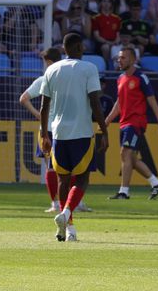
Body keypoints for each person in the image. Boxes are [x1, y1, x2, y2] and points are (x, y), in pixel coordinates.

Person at [38, 32, 107, 242]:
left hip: (58, 133)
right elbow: (95, 102)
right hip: (82, 133)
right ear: (78, 47)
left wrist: (44, 133)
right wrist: (104, 130)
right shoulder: (89, 68)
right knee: (82, 179)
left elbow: (43, 107)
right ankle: (67, 212)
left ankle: (68, 229)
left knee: (63, 180)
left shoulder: (51, 70)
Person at [105, 46, 158, 200]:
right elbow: (119, 103)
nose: (119, 60)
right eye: (118, 58)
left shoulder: (141, 77)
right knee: (130, 158)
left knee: (125, 153)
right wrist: (108, 119)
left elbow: (152, 101)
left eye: (123, 58)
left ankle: (124, 192)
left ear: (133, 59)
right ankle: (156, 183)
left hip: (136, 123)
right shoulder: (120, 78)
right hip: (124, 123)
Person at [20, 47, 72, 214]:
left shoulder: (44, 80)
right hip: (67, 128)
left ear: (48, 62)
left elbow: (23, 98)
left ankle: (55, 203)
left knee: (50, 166)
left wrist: (38, 115)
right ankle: (73, 203)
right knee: (71, 167)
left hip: (48, 129)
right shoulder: (69, 80)